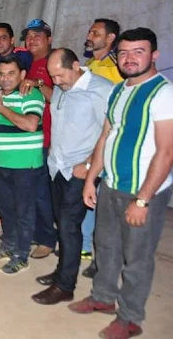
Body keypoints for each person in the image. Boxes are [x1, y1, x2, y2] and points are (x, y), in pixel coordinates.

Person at [69, 28, 173, 339]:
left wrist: (142, 200)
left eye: (138, 52)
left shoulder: (163, 94)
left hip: (142, 190)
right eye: (124, 52)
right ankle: (102, 297)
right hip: (111, 184)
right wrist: (92, 179)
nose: (129, 58)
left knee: (137, 258)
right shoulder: (119, 90)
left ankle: (130, 317)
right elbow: (106, 136)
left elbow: (166, 152)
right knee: (106, 246)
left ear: (154, 55)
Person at [31, 48, 112, 305]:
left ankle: (65, 285)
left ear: (76, 65)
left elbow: (110, 132)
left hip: (81, 170)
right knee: (62, 223)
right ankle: (61, 272)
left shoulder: (101, 90)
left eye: (60, 75)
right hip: (58, 167)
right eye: (52, 76)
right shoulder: (60, 89)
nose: (56, 81)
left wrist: (88, 164)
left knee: (68, 225)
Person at [0, 56, 45, 275]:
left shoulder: (30, 94)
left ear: (22, 75)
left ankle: (21, 254)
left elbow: (30, 124)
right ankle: (8, 243)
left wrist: (1, 108)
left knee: (23, 211)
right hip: (1, 162)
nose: (5, 78)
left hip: (25, 165)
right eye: (1, 74)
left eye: (11, 73)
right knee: (5, 208)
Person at [80, 18, 122, 277]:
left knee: (107, 205)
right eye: (90, 31)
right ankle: (85, 247)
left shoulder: (117, 68)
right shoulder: (89, 66)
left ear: (110, 38)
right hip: (89, 143)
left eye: (95, 32)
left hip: (108, 144)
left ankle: (104, 258)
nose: (89, 35)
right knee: (89, 197)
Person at [20, 18, 57, 259]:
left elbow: (60, 98)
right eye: (29, 36)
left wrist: (38, 83)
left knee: (42, 191)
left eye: (37, 36)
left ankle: (47, 239)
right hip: (27, 136)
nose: (32, 40)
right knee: (29, 190)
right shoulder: (30, 63)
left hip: (45, 138)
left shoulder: (54, 62)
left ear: (49, 39)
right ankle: (35, 231)